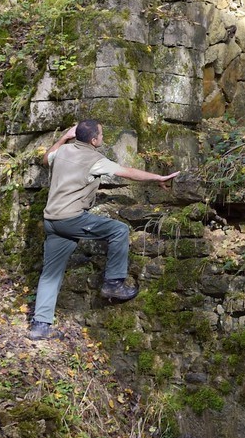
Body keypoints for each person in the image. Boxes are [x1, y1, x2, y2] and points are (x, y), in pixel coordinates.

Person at [26, 119, 178, 341]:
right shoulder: (94, 160)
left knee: (50, 274)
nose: (103, 138)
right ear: (94, 140)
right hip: (71, 219)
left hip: (51, 220)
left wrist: (63, 138)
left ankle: (40, 326)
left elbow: (45, 159)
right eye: (101, 135)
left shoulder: (63, 150)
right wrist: (158, 178)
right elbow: (127, 172)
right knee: (119, 230)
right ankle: (114, 283)